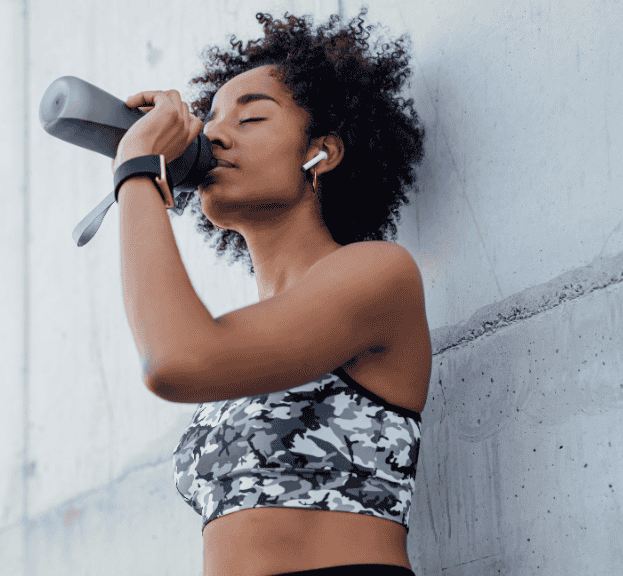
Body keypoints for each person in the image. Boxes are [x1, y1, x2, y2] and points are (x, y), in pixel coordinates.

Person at [111, 8, 430, 576]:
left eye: (252, 118)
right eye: (208, 121)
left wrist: (136, 172)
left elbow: (175, 361)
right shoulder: (242, 339)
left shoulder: (379, 274)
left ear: (321, 153)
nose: (213, 133)